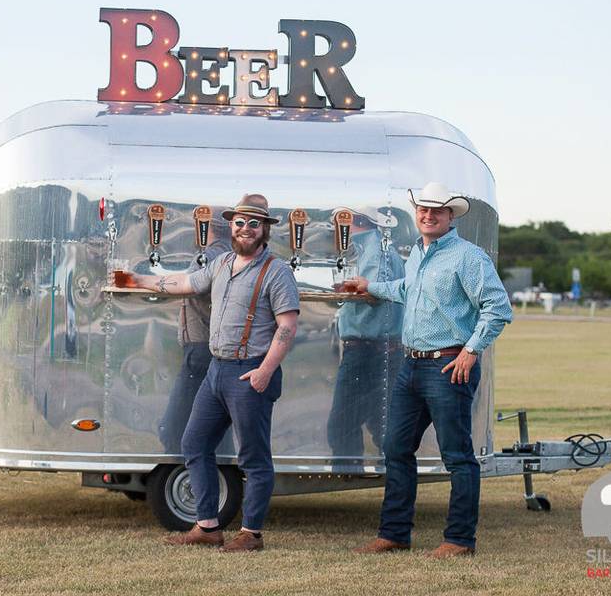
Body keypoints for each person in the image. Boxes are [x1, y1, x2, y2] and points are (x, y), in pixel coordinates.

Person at [350, 182, 512, 558]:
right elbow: (410, 290)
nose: (428, 215)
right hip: (412, 365)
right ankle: (394, 534)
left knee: (457, 456)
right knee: (396, 448)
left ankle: (459, 541)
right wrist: (370, 286)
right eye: (423, 209)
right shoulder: (418, 254)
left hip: (449, 366)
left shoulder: (468, 258)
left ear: (450, 216)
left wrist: (471, 352)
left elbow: (498, 308)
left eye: (437, 210)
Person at [130, 194, 300, 552]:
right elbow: (187, 284)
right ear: (232, 227)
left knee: (253, 457)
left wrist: (264, 372)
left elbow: (287, 326)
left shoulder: (277, 271)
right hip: (216, 371)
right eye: (240, 222)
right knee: (194, 442)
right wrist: (140, 281)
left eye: (254, 223)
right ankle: (207, 526)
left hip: (249, 374)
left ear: (264, 229)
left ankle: (251, 534)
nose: (246, 229)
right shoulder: (222, 263)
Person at [327, 208, 405, 471]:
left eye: (339, 223)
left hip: (367, 349)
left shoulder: (373, 251)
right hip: (377, 347)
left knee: (343, 421)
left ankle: (347, 472)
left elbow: (373, 292)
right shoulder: (376, 250)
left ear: (354, 222)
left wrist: (348, 292)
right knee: (378, 420)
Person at [158, 214, 232, 455]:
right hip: (212, 348)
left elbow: (187, 283)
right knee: (216, 422)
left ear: (206, 228)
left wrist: (144, 281)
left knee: (173, 427)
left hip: (200, 347)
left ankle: (185, 471)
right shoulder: (228, 254)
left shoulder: (209, 256)